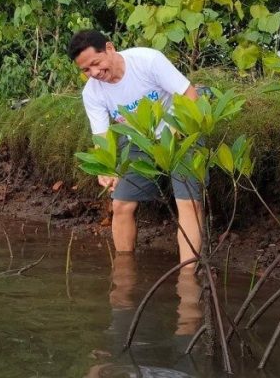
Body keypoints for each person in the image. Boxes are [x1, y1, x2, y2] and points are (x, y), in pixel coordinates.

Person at [67, 29, 203, 264]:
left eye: (96, 64)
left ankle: (189, 276)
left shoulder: (147, 61)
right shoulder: (92, 93)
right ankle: (123, 274)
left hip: (180, 131)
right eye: (86, 70)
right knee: (120, 205)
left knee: (188, 202)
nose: (95, 73)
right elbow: (102, 138)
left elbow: (191, 96)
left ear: (109, 48)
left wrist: (170, 137)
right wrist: (106, 169)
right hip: (139, 142)